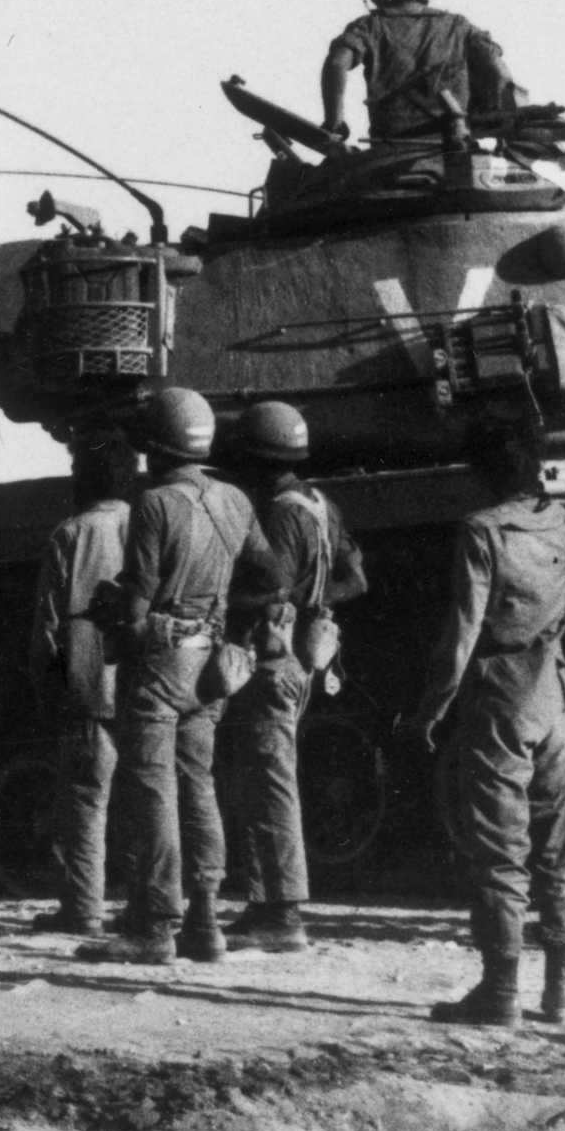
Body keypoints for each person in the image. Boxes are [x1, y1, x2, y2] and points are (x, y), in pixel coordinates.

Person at [79, 386, 253, 967]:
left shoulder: (155, 504)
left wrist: (115, 606)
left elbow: (134, 609)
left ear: (155, 447)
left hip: (160, 665)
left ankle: (155, 924)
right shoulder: (236, 500)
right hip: (210, 663)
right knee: (198, 783)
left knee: (153, 788)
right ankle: (205, 921)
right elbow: (276, 574)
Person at [425, 414, 565, 1026]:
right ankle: (560, 990)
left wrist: (433, 707)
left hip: (500, 701)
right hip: (555, 698)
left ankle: (499, 993)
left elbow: (464, 631)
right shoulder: (559, 522)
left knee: (499, 850)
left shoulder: (481, 531)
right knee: (557, 849)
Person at [217, 400, 362, 954]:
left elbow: (274, 583)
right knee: (269, 776)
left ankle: (280, 914)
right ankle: (265, 906)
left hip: (273, 657)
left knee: (268, 782)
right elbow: (356, 578)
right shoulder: (320, 504)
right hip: (305, 655)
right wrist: (314, 598)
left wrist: (228, 599)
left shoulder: (279, 512)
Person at [24, 435, 136, 935]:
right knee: (151, 797)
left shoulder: (70, 533)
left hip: (90, 686)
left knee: (85, 800)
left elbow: (46, 630)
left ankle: (83, 909)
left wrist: (48, 689)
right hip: (148, 686)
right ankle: (150, 906)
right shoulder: (148, 524)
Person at [319, 0, 520, 147]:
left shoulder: (369, 26)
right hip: (455, 151)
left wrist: (334, 123)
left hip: (390, 153)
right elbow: (500, 75)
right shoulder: (459, 27)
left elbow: (337, 62)